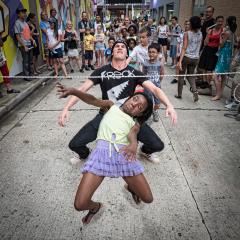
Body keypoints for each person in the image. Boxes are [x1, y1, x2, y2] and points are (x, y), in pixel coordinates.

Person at [58, 39, 177, 164]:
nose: (119, 48)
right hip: (106, 114)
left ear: (127, 53)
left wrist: (169, 105)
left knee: (158, 145)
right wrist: (66, 108)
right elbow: (82, 89)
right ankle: (84, 154)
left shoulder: (134, 73)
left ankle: (145, 151)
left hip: (129, 117)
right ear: (112, 52)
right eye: (116, 46)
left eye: (123, 46)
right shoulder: (101, 71)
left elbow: (154, 89)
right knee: (74, 145)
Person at [57, 83, 154, 224]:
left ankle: (132, 188)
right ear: (129, 98)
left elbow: (132, 135)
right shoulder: (111, 106)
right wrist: (74, 91)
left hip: (124, 155)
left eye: (140, 107)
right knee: (80, 204)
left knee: (148, 198)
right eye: (135, 99)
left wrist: (133, 145)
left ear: (139, 114)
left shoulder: (134, 123)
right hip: (101, 154)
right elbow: (91, 100)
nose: (135, 105)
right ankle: (95, 207)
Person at [175, 16, 202, 102]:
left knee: (181, 76)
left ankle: (179, 94)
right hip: (195, 58)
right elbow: (200, 46)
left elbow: (184, 48)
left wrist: (179, 61)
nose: (188, 24)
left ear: (192, 24)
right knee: (190, 76)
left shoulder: (187, 33)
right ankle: (195, 91)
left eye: (189, 23)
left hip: (186, 57)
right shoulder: (200, 34)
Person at [212, 16, 237, 101]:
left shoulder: (227, 33)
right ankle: (220, 93)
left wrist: (220, 36)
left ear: (227, 22)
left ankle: (218, 94)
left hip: (223, 55)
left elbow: (221, 44)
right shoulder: (233, 33)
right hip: (228, 55)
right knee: (223, 76)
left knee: (215, 75)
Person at [198, 16, 224, 89]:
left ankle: (208, 84)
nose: (220, 23)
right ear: (215, 22)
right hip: (207, 49)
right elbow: (205, 43)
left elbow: (221, 43)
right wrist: (207, 34)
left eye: (222, 21)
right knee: (204, 67)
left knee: (210, 69)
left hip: (215, 51)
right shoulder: (211, 30)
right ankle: (204, 82)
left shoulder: (223, 31)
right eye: (218, 21)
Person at [142, 43, 164, 122]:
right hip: (147, 87)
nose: (151, 54)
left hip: (157, 87)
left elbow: (162, 74)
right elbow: (143, 74)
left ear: (158, 53)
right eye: (150, 52)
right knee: (148, 101)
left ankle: (155, 111)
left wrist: (158, 82)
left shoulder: (160, 64)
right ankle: (147, 113)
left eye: (153, 52)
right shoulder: (145, 63)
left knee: (157, 103)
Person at [14, 8, 35, 81]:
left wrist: (32, 39)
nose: (24, 14)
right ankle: (26, 76)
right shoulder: (17, 23)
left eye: (25, 12)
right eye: (22, 12)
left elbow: (28, 34)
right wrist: (24, 46)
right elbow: (18, 37)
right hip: (23, 45)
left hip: (29, 44)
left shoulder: (25, 23)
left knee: (30, 60)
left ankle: (31, 75)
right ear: (18, 14)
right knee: (26, 61)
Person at [0, 34, 20, 98]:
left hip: (1, 57)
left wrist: (1, 37)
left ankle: (9, 89)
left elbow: (1, 44)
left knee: (5, 72)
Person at [171, 20, 190, 84]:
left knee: (185, 67)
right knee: (177, 65)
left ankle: (183, 79)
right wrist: (177, 52)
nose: (187, 26)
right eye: (186, 24)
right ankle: (176, 78)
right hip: (180, 52)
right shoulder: (181, 34)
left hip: (187, 53)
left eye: (188, 24)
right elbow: (178, 44)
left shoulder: (191, 34)